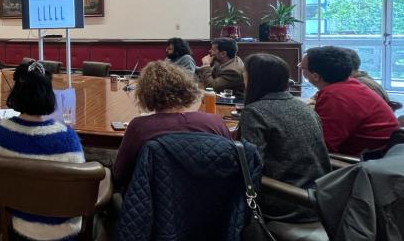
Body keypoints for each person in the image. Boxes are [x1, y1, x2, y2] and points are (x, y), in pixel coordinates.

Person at [0, 61, 85, 241]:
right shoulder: (67, 138)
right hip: (65, 235)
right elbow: (79, 186)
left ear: (16, 93)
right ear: (49, 95)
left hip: (18, 229)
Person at [112, 61, 231, 191]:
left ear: (144, 94)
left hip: (154, 203)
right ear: (186, 87)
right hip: (212, 201)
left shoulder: (140, 127)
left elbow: (120, 175)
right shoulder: (215, 123)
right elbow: (229, 166)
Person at [239, 54, 330, 222]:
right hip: (319, 199)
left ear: (255, 79)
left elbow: (250, 166)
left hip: (285, 201)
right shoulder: (304, 107)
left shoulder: (254, 112)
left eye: (244, 73)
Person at [301, 46, 398, 155]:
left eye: (302, 67)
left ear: (315, 76)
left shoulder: (335, 96)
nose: (300, 68)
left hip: (363, 162)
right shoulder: (351, 84)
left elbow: (322, 145)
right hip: (383, 153)